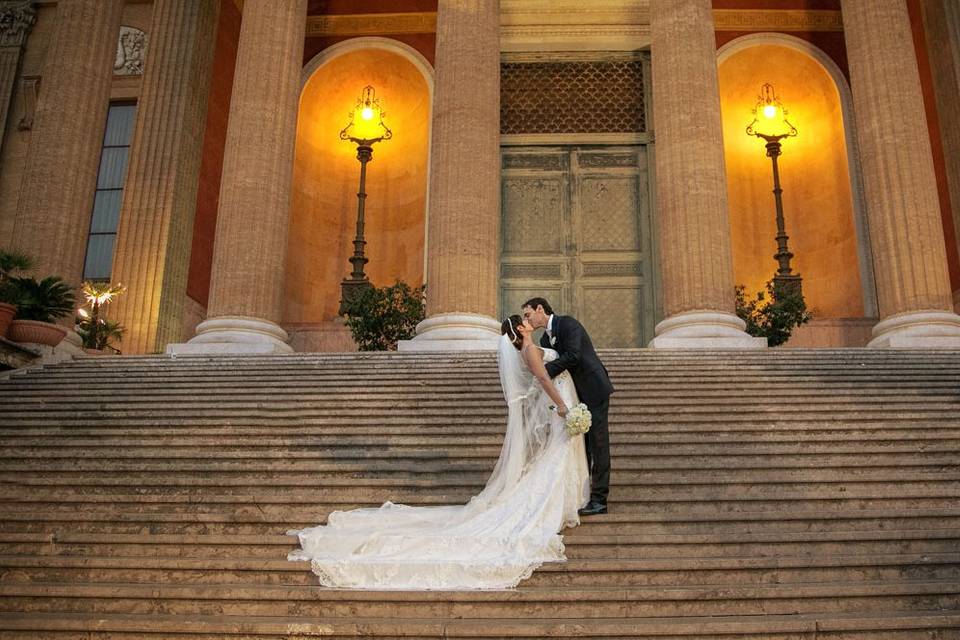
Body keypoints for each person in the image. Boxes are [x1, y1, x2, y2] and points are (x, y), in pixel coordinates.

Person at [287, 315, 589, 589]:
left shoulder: (528, 350)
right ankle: (555, 505)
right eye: (524, 320)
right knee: (554, 462)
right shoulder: (530, 351)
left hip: (557, 406)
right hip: (559, 405)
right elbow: (543, 379)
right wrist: (563, 407)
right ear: (521, 330)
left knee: (553, 459)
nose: (527, 319)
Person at [522, 297, 614, 516]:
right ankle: (583, 494)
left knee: (598, 443)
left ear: (540, 309)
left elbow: (574, 355)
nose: (527, 319)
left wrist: (545, 373)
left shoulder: (568, 323)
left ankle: (600, 500)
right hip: (575, 395)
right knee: (583, 446)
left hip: (594, 387)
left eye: (528, 314)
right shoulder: (545, 338)